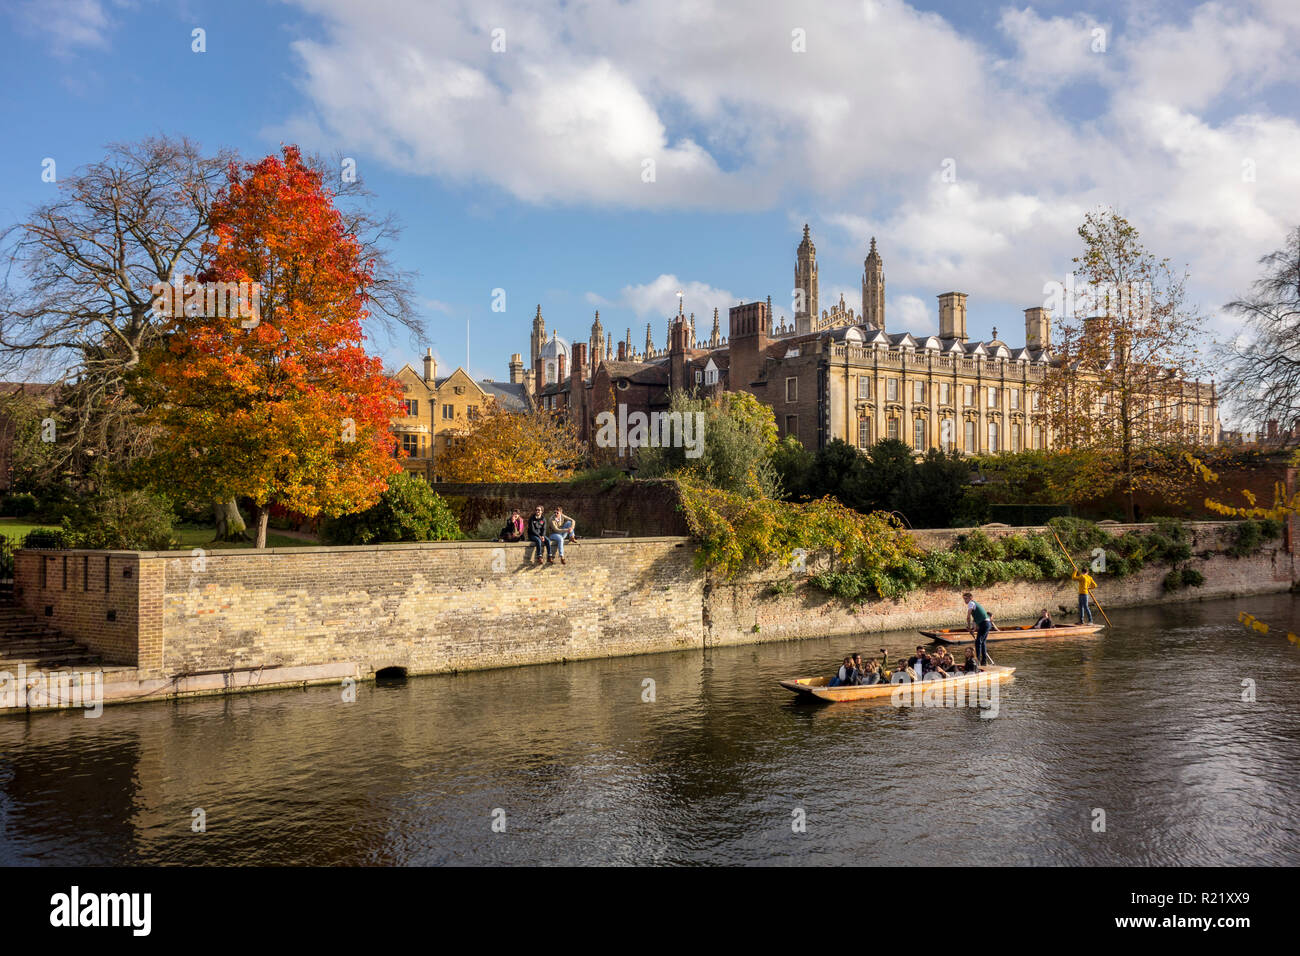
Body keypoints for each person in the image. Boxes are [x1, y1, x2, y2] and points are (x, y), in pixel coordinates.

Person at [964, 591, 992, 665]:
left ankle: (978, 661)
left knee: (978, 642)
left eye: (966, 599)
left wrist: (969, 627)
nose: (965, 601)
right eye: (964, 599)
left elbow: (968, 617)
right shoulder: (974, 605)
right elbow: (975, 619)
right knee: (982, 642)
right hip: (987, 623)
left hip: (985, 623)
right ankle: (984, 662)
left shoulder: (971, 603)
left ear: (970, 598)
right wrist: (973, 629)